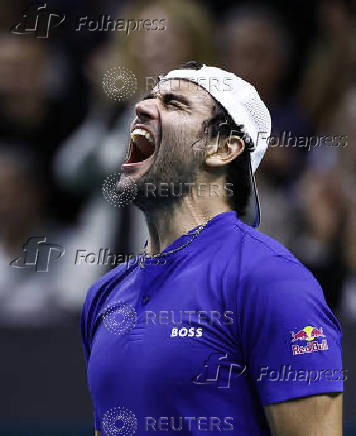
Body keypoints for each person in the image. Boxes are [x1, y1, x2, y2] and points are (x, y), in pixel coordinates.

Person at [81, 62, 343, 436]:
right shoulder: (103, 295)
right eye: (149, 97)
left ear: (224, 148)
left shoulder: (272, 280)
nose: (142, 108)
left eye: (174, 104)